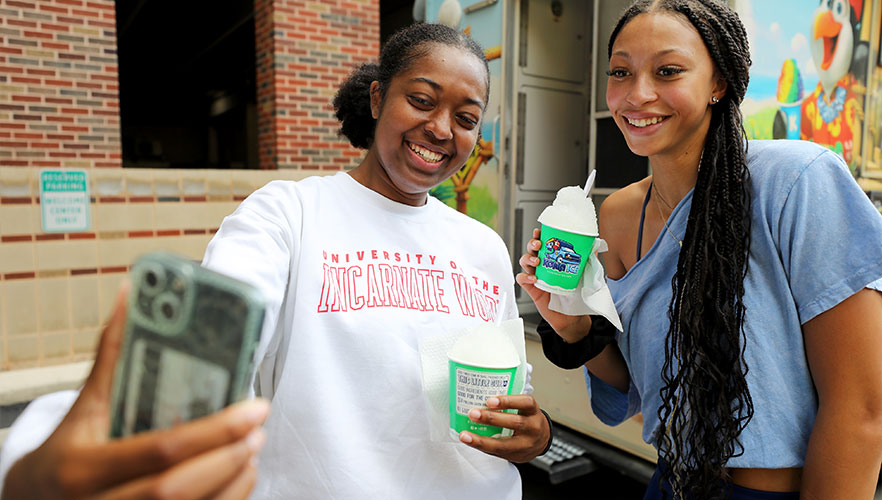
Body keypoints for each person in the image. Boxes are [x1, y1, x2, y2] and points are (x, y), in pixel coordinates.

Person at [0, 23, 550, 500]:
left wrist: (536, 434)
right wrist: (60, 457)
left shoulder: (480, 246)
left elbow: (507, 395)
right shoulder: (289, 214)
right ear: (379, 98)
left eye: (467, 117)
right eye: (423, 101)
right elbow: (206, 345)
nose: (441, 130)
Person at [516, 1, 882, 499]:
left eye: (668, 71)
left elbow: (861, 408)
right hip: (672, 483)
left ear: (718, 83)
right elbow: (636, 388)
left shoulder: (797, 182)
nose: (637, 94)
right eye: (620, 72)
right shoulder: (621, 216)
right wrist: (572, 324)